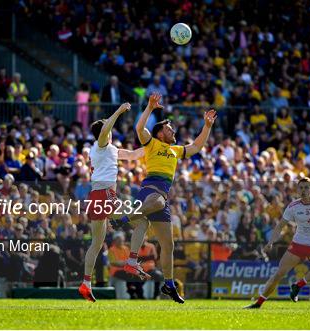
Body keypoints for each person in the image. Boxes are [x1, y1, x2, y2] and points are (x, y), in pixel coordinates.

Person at [112, 92, 217, 303]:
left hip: (162, 195)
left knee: (168, 246)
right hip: (150, 189)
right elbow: (139, 128)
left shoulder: (175, 150)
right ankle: (122, 220)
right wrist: (150, 107)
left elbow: (197, 146)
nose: (173, 130)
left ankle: (169, 284)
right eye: (169, 128)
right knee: (159, 201)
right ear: (160, 133)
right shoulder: (151, 144)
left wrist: (207, 126)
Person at [245, 177, 310, 309]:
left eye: (306, 187)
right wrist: (271, 242)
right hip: (298, 245)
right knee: (279, 274)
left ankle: (298, 285)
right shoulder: (293, 207)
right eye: (301, 187)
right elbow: (280, 226)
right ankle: (258, 304)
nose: (303, 190)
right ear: (297, 190)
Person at [78, 102, 145, 302]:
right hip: (105, 195)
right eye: (107, 130)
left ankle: (86, 284)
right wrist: (118, 111)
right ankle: (132, 260)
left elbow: (134, 155)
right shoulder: (99, 146)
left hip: (98, 196)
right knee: (141, 221)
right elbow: (106, 129)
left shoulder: (110, 149)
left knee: (97, 244)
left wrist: (154, 146)